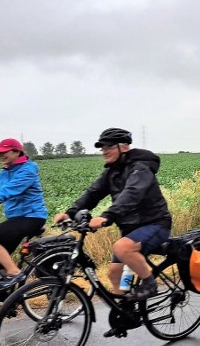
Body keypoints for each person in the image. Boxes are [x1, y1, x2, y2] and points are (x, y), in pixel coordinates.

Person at [54, 128, 172, 309]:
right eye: (102, 147)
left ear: (124, 147)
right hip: (131, 229)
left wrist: (106, 217)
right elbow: (93, 193)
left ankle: (150, 284)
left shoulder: (140, 168)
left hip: (155, 224)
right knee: (114, 273)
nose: (104, 151)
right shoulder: (112, 172)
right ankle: (126, 311)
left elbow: (132, 194)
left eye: (109, 146)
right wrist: (70, 213)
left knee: (122, 247)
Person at [0, 139, 47, 290]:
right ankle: (12, 298)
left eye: (4, 152)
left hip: (31, 217)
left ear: (16, 152)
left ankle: (15, 273)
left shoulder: (28, 170)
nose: (0, 155)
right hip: (16, 219)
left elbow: (7, 191)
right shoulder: (5, 172)